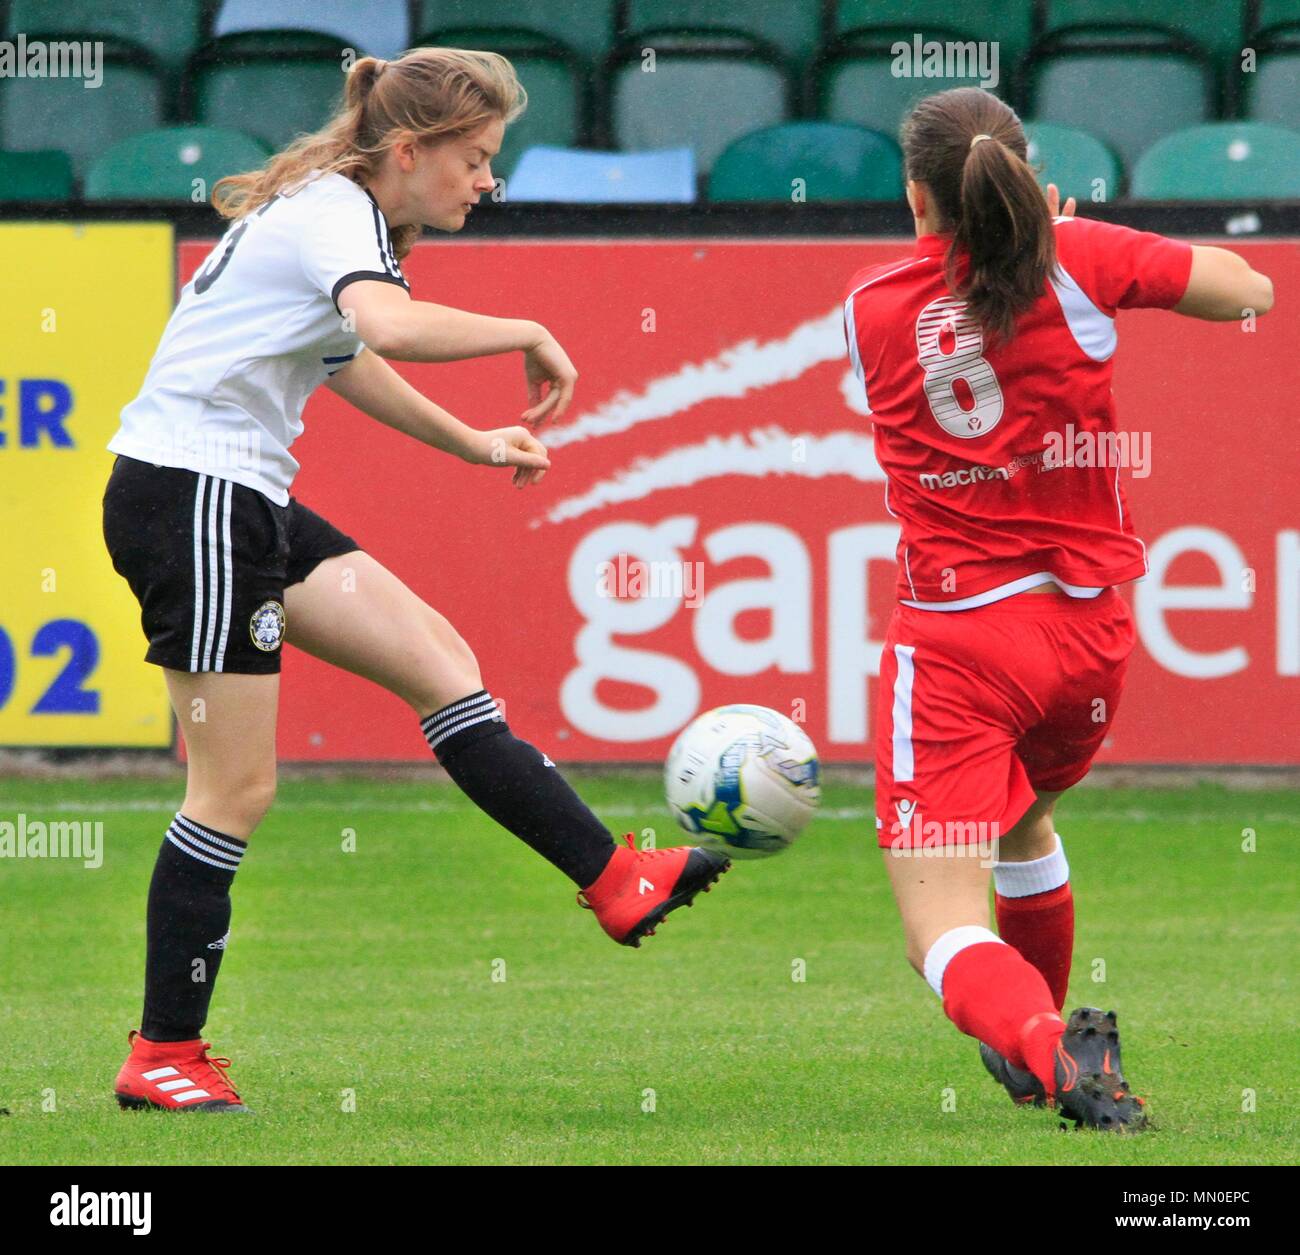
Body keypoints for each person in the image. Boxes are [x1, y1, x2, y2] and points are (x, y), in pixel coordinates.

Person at [102, 48, 728, 1115]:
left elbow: (347, 356)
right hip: (194, 501)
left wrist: (473, 445)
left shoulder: (335, 209)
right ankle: (164, 1050)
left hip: (232, 498)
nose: (488, 181)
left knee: (440, 661)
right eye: (477, 159)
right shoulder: (334, 211)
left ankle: (614, 879)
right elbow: (384, 326)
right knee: (235, 788)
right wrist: (529, 330)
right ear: (408, 151)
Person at [842, 88, 1273, 1131]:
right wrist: (1068, 227)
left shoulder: (866, 309)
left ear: (914, 198)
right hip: (1087, 640)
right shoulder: (1077, 259)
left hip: (958, 643)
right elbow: (1244, 286)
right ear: (1028, 179)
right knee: (1022, 815)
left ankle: (1045, 1046)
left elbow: (946, 343)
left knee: (936, 930)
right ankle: (1042, 1056)